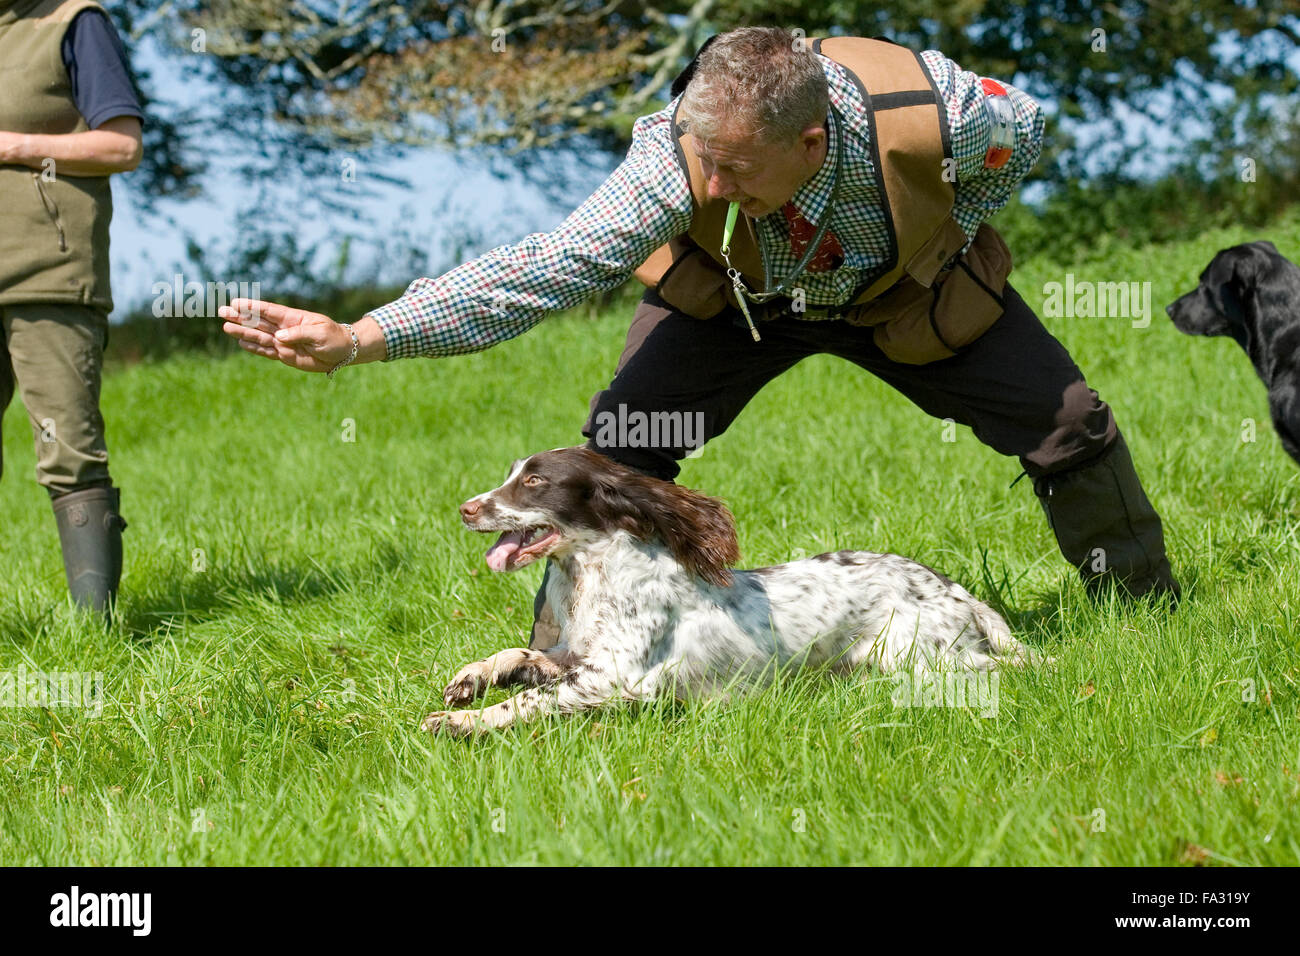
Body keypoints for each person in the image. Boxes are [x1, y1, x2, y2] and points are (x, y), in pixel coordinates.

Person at [221, 27, 1180, 650]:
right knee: (622, 451)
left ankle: (1145, 621)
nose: (709, 187)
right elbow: (552, 263)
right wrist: (364, 333)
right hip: (735, 303)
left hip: (900, 297)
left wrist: (946, 231)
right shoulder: (675, 158)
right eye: (702, 162)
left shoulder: (941, 114)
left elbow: (1033, 132)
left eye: (734, 169)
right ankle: (575, 662)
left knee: (1069, 421)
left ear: (811, 144)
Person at [0, 0, 143, 622]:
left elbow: (121, 145)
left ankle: (94, 635)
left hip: (46, 277)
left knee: (68, 447)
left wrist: (14, 145)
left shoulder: (74, 21)